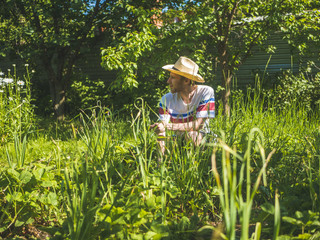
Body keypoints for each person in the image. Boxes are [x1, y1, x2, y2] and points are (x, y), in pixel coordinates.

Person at [150, 56, 215, 154]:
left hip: (201, 138)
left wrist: (167, 126)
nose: (168, 81)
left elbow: (198, 125)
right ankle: (162, 166)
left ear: (186, 81)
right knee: (159, 137)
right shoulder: (166, 99)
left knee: (191, 135)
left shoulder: (205, 92)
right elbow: (163, 127)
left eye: (173, 78)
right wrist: (159, 127)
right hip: (177, 140)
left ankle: (200, 166)